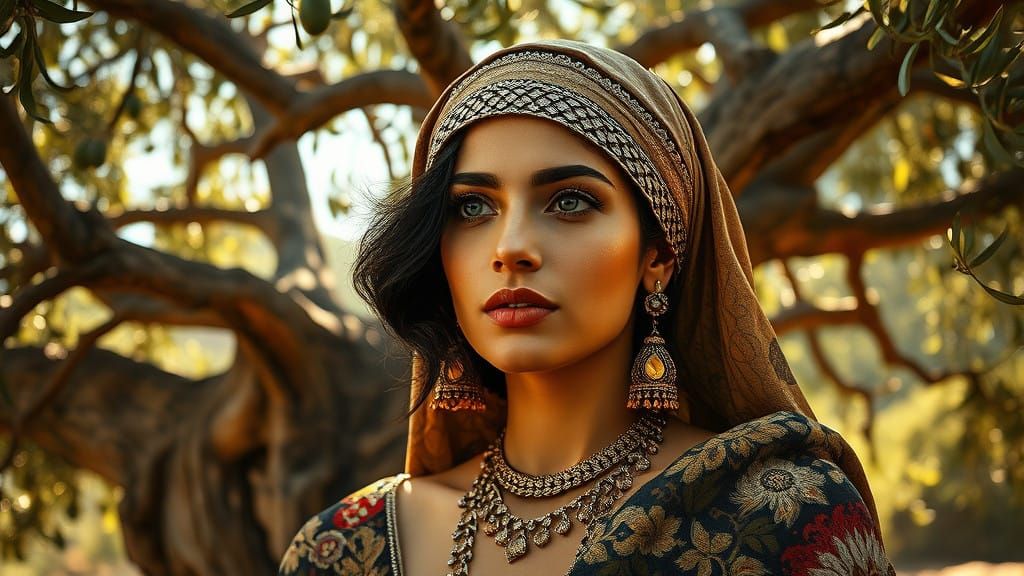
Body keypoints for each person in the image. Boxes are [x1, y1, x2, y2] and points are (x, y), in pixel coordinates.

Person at [277, 39, 895, 575]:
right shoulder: (340, 550)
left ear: (658, 254)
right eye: (471, 208)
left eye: (570, 201)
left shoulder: (779, 516)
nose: (510, 246)